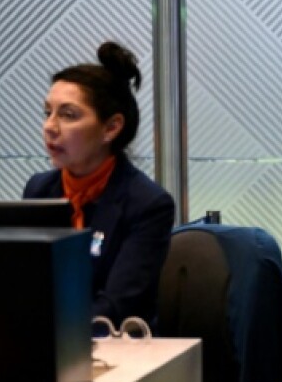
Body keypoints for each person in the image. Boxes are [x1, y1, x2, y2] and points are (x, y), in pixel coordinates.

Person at [24, 41, 175, 326]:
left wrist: (44, 330)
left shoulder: (147, 204)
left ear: (111, 128)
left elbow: (116, 306)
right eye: (48, 113)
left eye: (68, 115)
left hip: (118, 353)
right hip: (46, 347)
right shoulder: (40, 191)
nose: (50, 127)